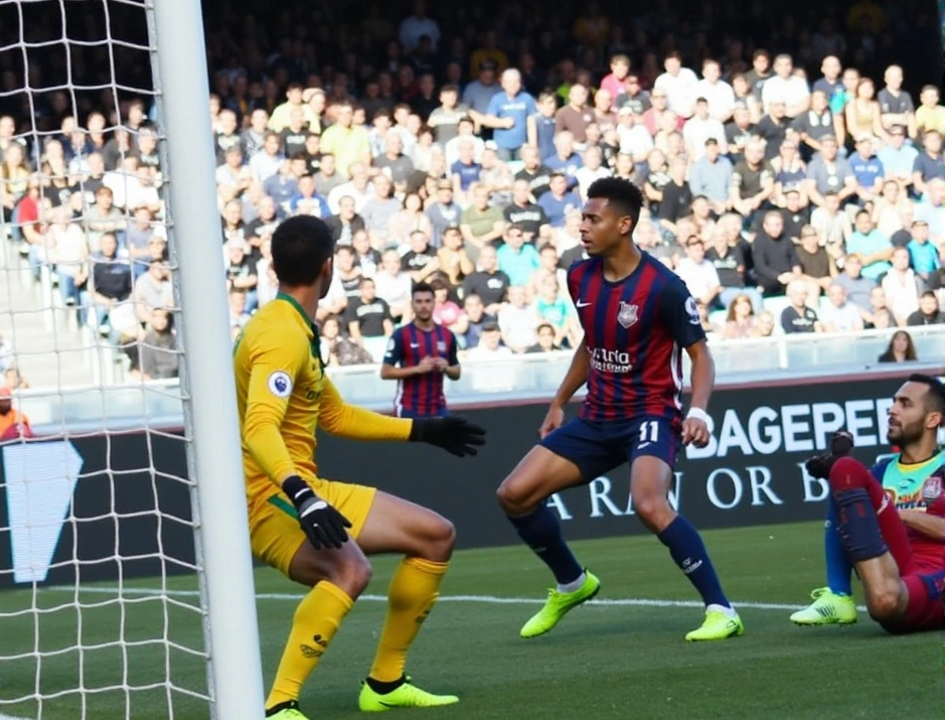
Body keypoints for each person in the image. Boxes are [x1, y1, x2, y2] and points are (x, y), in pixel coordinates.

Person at [235, 215, 485, 719]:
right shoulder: (280, 337)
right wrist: (301, 495)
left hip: (301, 484)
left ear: (273, 267)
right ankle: (279, 706)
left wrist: (422, 430)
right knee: (350, 568)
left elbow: (334, 415)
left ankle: (385, 683)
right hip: (271, 495)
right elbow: (259, 427)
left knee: (435, 536)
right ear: (328, 269)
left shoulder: (293, 328)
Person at [494, 177, 741, 642]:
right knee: (513, 494)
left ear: (623, 225)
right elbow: (593, 343)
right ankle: (572, 582)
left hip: (650, 415)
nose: (582, 227)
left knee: (648, 503)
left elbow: (701, 355)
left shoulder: (664, 286)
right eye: (582, 218)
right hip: (597, 417)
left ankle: (721, 609)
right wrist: (559, 401)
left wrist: (699, 412)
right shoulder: (578, 276)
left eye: (593, 218)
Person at [789, 376, 945, 633]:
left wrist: (898, 515)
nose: (892, 409)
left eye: (905, 404)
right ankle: (839, 595)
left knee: (887, 603)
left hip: (936, 569)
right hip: (891, 564)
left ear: (933, 419)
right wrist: (837, 471)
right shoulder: (880, 471)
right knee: (844, 471)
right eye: (894, 402)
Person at [379, 282, 461, 419]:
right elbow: (385, 372)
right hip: (408, 408)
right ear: (412, 304)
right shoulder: (401, 335)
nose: (423, 306)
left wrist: (446, 368)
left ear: (434, 303)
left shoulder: (447, 335)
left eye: (428, 301)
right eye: (419, 302)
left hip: (439, 408)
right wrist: (417, 369)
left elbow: (456, 372)